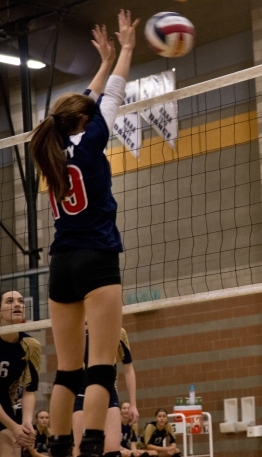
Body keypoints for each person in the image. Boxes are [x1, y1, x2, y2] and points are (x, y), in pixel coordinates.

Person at [29, 10, 139, 457]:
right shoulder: (93, 139)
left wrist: (103, 61)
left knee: (66, 373)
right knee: (100, 369)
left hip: (61, 267)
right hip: (97, 259)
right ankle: (92, 446)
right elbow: (109, 94)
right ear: (84, 122)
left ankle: (59, 448)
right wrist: (126, 49)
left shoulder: (49, 147)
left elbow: (86, 99)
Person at [73, 327, 140, 457]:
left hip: (108, 392)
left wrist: (133, 404)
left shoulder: (118, 332)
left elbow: (128, 369)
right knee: (83, 451)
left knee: (113, 451)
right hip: (81, 394)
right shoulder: (76, 331)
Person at [0, 290, 41, 457]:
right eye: (9, 301)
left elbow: (29, 390)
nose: (17, 304)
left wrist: (25, 423)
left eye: (21, 301)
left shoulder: (31, 345)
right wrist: (13, 426)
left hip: (6, 409)